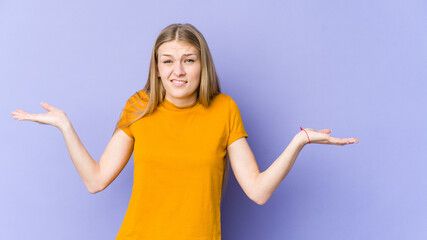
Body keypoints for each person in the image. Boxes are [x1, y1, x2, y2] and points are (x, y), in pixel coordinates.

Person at [11, 23, 359, 239]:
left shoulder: (224, 109)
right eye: (168, 61)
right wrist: (65, 127)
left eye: (188, 60)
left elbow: (258, 191)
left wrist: (300, 140)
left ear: (201, 65)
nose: (178, 70)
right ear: (158, 68)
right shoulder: (139, 106)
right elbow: (96, 180)